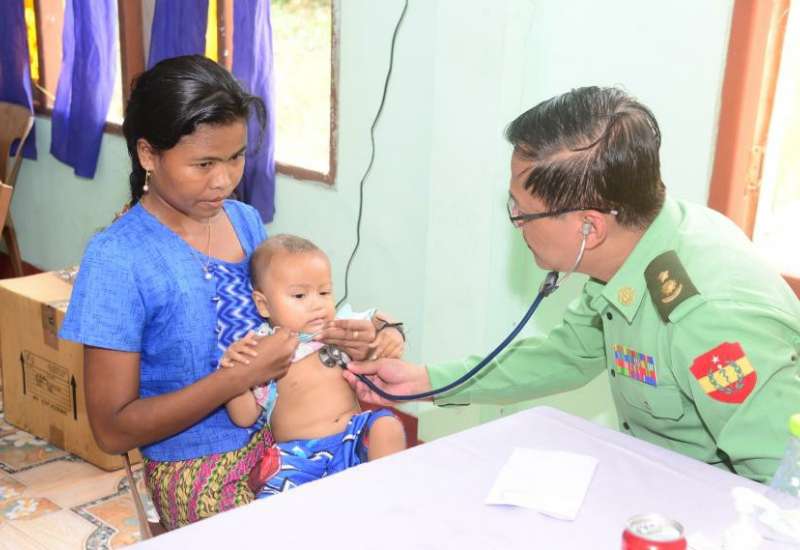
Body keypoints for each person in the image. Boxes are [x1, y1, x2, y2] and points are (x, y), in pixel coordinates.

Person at [339, 86, 800, 483]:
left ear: (589, 228)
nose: (517, 223)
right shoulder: (637, 249)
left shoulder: (710, 318)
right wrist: (428, 381)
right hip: (651, 481)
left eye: (522, 211)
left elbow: (785, 483)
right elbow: (568, 354)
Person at [59, 55, 384, 530]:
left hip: (287, 443)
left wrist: (356, 336)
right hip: (199, 473)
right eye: (204, 163)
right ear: (148, 154)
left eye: (235, 158)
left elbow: (285, 328)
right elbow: (111, 430)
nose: (224, 180)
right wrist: (236, 379)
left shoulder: (244, 221)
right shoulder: (118, 258)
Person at [219, 234, 406, 497]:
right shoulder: (261, 350)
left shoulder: (338, 328)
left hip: (352, 436)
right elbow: (244, 417)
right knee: (273, 498)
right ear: (263, 305)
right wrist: (232, 372)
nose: (317, 304)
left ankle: (387, 498)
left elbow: (376, 318)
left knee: (386, 426)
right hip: (299, 456)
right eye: (299, 295)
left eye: (324, 292)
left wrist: (391, 331)